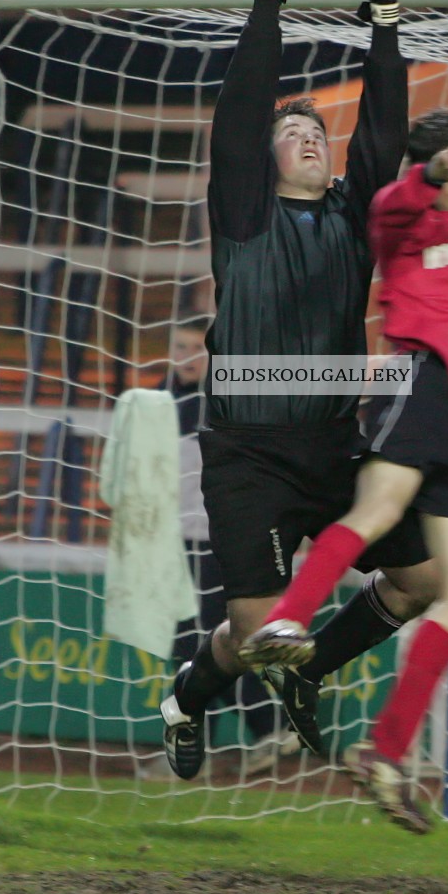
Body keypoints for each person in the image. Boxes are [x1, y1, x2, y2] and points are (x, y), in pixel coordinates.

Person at [239, 0, 448, 832]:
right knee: (377, 510)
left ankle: (382, 752)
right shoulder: (401, 220)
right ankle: (285, 620)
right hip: (414, 383)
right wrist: (427, 176)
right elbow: (391, 206)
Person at [159, 0, 439, 782]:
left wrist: (384, 22)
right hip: (246, 453)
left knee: (421, 582)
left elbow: (384, 141)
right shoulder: (243, 216)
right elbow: (240, 118)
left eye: (320, 130)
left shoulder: (355, 222)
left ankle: (315, 669)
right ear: (266, 157)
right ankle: (188, 697)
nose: (309, 134)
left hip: (333, 444)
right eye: (293, 131)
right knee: (254, 635)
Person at [155, 317, 298, 776]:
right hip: (178, 540)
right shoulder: (161, 401)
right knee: (193, 643)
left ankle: (263, 728)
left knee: (209, 642)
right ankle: (244, 734)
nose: (187, 357)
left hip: (214, 542)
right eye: (179, 346)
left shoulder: (222, 400)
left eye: (196, 348)